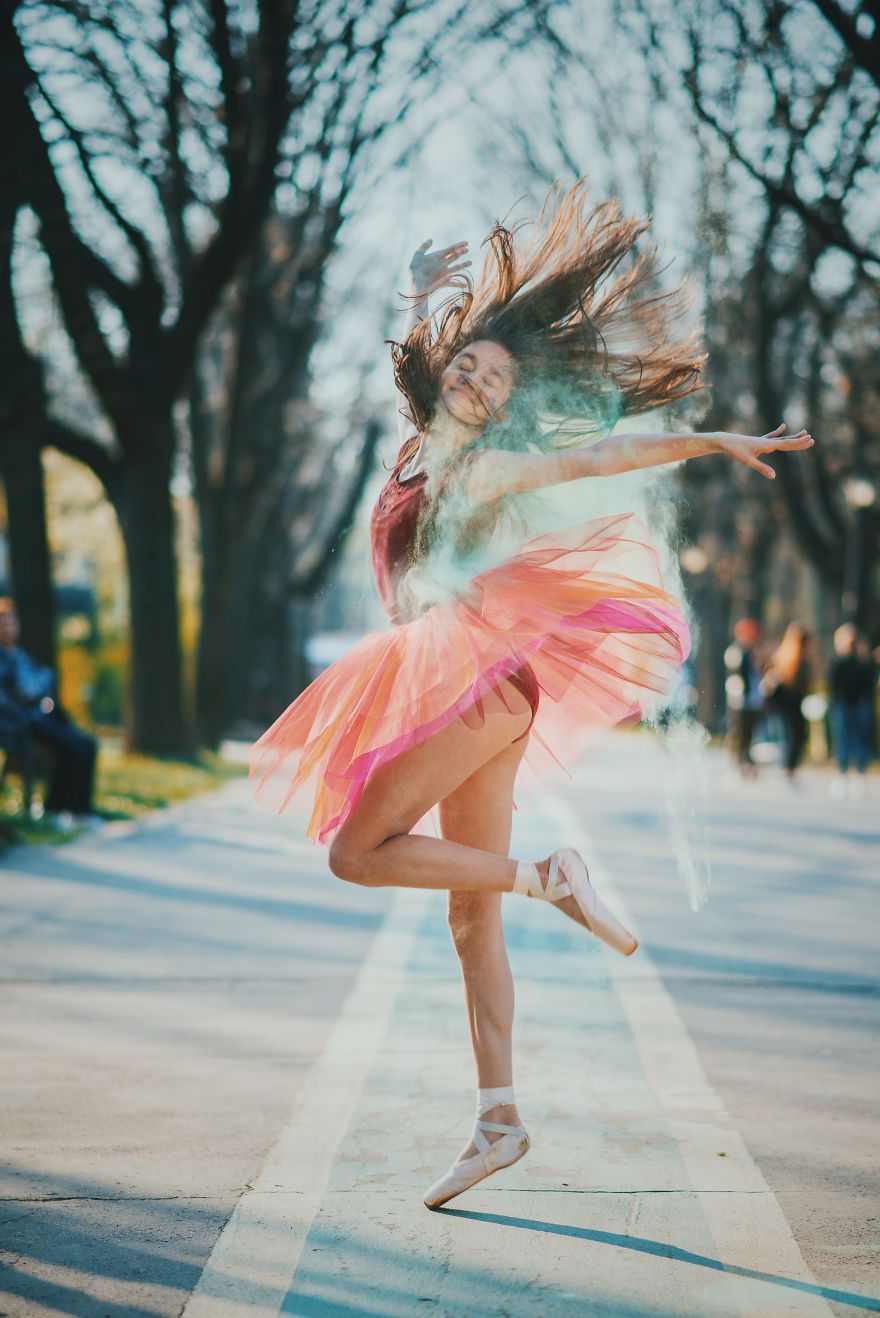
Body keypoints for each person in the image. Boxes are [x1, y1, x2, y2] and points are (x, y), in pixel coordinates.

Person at [248, 181, 815, 1209]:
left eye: (489, 377)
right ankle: (498, 1119)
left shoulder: (489, 466)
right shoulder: (423, 439)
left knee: (354, 853)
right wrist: (422, 298)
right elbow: (419, 365)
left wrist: (712, 441)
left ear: (506, 403)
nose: (470, 379)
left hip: (468, 675)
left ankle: (548, 875)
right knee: (469, 920)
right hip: (475, 685)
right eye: (465, 362)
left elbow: (605, 452)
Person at [0, 598, 99, 827]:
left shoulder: (20, 656)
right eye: (3, 624)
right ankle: (56, 810)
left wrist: (39, 688)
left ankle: (80, 812)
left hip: (40, 716)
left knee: (86, 744)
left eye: (11, 623)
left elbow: (44, 680)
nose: (8, 628)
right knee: (72, 746)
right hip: (20, 722)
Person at [828, 623, 875, 798]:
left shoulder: (842, 663)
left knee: (846, 741)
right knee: (854, 741)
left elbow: (834, 686)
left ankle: (847, 776)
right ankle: (856, 776)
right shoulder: (861, 663)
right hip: (854, 705)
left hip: (848, 706)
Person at [764, 621, 814, 780]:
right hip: (790, 701)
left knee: (789, 733)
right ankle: (789, 765)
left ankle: (788, 764)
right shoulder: (797, 658)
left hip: (785, 702)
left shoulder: (782, 654)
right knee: (794, 734)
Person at [724, 617, 765, 775]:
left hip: (751, 700)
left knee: (748, 732)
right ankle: (738, 759)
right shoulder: (736, 651)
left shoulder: (751, 652)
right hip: (740, 700)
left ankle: (745, 757)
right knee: (739, 731)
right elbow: (738, 675)